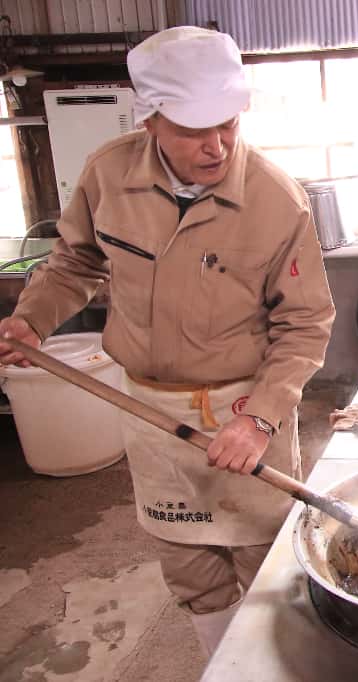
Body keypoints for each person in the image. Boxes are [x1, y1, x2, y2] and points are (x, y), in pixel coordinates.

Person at [0, 26, 335, 656]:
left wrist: (260, 420)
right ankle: (221, 664)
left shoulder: (274, 199)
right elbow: (74, 263)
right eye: (194, 130)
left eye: (228, 125)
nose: (217, 147)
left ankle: (281, 665)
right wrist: (32, 319)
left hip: (242, 409)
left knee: (265, 562)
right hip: (150, 409)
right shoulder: (109, 175)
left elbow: (305, 324)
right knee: (189, 564)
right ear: (150, 118)